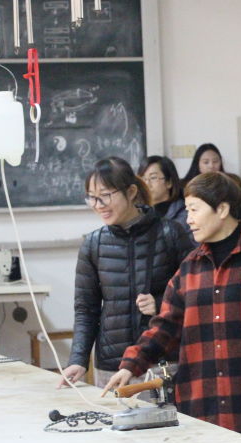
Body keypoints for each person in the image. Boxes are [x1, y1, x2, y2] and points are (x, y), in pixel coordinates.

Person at [103, 172, 241, 443]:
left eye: (194, 210)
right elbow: (164, 326)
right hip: (202, 407)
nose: (188, 219)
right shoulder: (190, 267)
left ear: (222, 209)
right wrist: (131, 365)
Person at [59, 157, 194, 389]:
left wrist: (160, 303)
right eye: (92, 197)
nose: (98, 205)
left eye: (105, 195)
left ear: (131, 192)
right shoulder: (93, 244)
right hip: (112, 364)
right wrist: (78, 360)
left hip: (162, 362)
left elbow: (195, 291)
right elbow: (86, 309)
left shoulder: (170, 233)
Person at [182, 143, 241, 220]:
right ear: (197, 164)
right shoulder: (186, 186)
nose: (211, 166)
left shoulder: (231, 183)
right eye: (206, 162)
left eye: (215, 161)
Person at [137, 155, 190, 232]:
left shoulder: (185, 216)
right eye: (143, 179)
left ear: (169, 182)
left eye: (153, 178)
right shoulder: (138, 212)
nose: (147, 184)